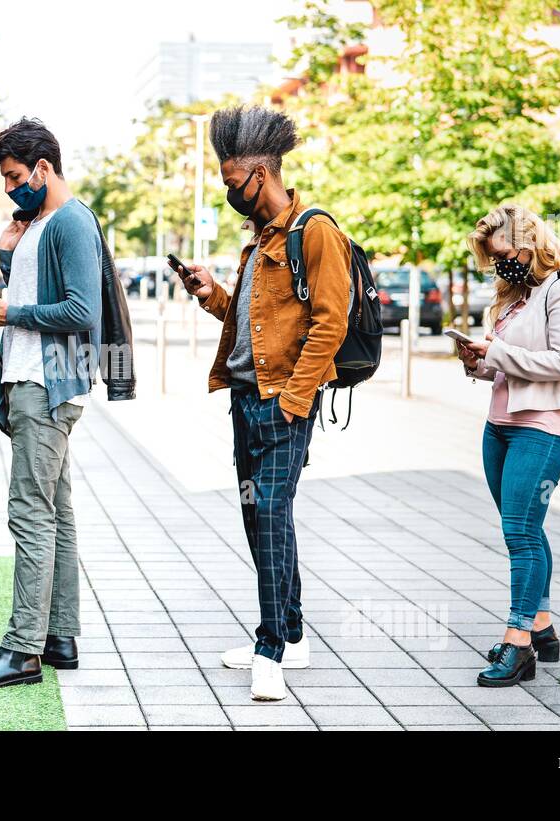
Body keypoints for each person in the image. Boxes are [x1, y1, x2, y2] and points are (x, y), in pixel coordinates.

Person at [176, 106, 350, 701]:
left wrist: (293, 402)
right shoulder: (260, 244)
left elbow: (331, 323)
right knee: (259, 518)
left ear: (259, 173)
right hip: (245, 401)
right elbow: (252, 325)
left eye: (231, 184)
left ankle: (270, 649)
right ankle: (293, 635)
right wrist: (212, 294)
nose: (229, 194)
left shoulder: (316, 231)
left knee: (272, 514)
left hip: (283, 406)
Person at [0, 118, 104, 689]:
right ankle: (58, 635)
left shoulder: (70, 222)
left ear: (43, 167)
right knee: (55, 509)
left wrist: (7, 313)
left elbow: (82, 311)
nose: (10, 187)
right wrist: (9, 259)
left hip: (47, 385)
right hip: (34, 380)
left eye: (15, 176)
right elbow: (38, 296)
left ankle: (22, 652)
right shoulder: (39, 224)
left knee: (30, 512)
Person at [457, 204, 560, 688]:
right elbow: (506, 364)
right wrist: (479, 361)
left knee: (519, 532)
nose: (500, 265)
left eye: (504, 254)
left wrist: (497, 353)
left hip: (544, 428)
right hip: (499, 425)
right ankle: (543, 625)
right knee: (526, 529)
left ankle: (518, 644)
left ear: (529, 244)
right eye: (493, 258)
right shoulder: (516, 296)